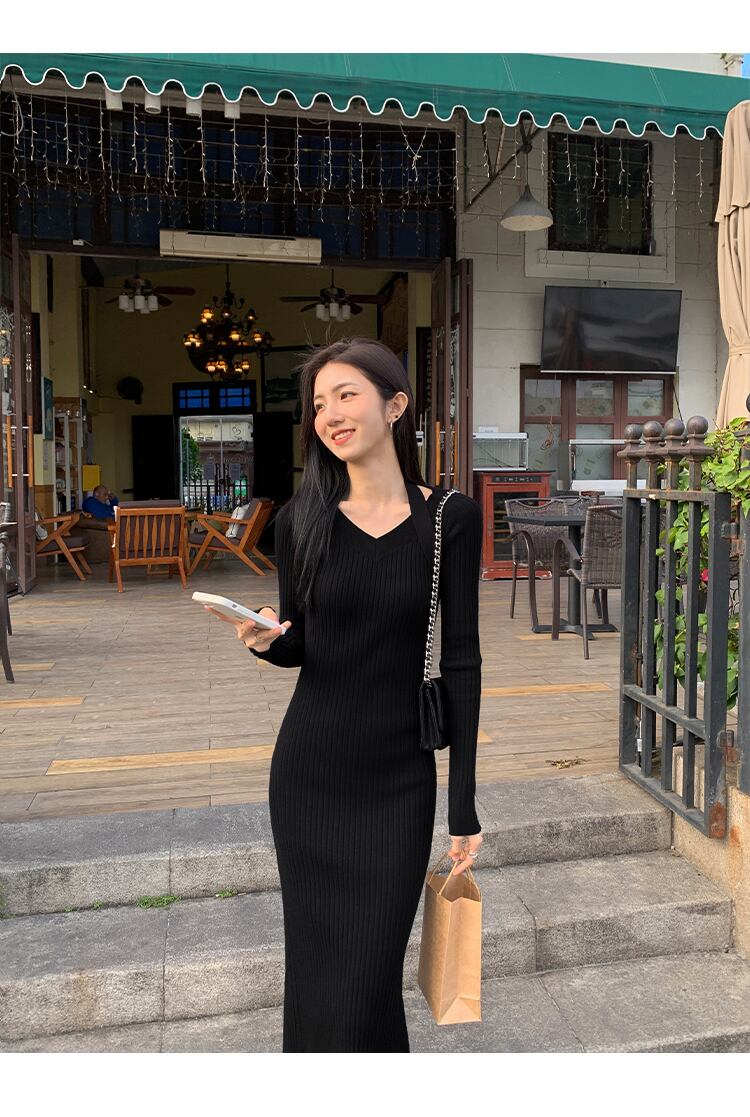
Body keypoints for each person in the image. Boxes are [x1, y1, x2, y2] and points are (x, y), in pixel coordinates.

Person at [205, 337, 483, 1053]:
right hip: (310, 774)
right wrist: (266, 639)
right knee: (320, 973)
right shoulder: (301, 519)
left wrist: (462, 804)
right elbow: (303, 644)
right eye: (318, 402)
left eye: (346, 394)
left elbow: (462, 661)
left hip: (398, 780)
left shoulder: (450, 518)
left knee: (369, 974)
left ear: (394, 405)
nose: (329, 413)